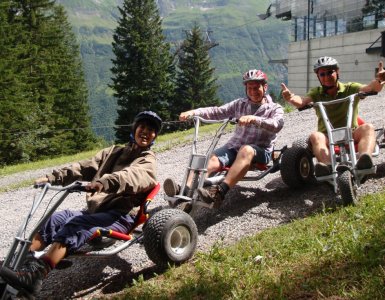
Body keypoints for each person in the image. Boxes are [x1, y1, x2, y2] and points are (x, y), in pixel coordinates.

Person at [0, 111, 162, 296]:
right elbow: (84, 167)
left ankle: (36, 276)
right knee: (56, 218)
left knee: (76, 225)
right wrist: (53, 177)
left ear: (154, 136)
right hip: (96, 211)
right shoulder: (113, 152)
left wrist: (104, 182)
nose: (146, 132)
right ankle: (17, 264)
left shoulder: (148, 160)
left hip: (120, 216)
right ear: (134, 129)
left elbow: (132, 176)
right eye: (142, 127)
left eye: (151, 130)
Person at [164, 69, 284, 208]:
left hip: (261, 151)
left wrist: (254, 119)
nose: (253, 91)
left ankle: (219, 193)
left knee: (246, 150)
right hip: (234, 147)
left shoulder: (275, 108)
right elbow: (217, 111)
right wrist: (193, 112)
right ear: (246, 88)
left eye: (256, 87)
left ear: (265, 87)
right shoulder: (239, 104)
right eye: (249, 88)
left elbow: (277, 124)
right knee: (210, 161)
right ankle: (184, 194)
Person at [281, 56, 385, 177]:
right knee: (315, 136)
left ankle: (364, 160)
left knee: (368, 127)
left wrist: (379, 80)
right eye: (322, 74)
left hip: (351, 132)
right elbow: (302, 101)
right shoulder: (316, 93)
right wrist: (291, 98)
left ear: (337, 72)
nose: (327, 77)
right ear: (318, 77)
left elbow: (370, 88)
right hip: (327, 136)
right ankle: (327, 166)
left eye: (330, 72)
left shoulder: (350, 88)